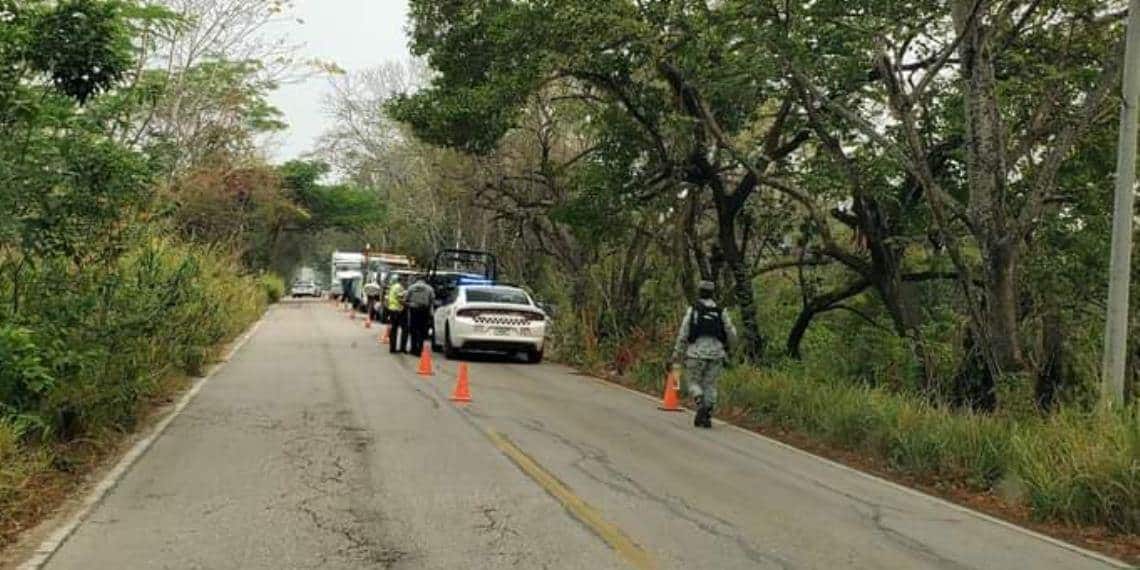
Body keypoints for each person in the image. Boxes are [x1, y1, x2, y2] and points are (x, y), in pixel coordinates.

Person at [671, 280, 737, 428]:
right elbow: (731, 332)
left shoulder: (693, 310)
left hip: (695, 353)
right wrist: (729, 348)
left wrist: (677, 353)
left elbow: (683, 333)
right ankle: (707, 413)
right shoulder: (720, 312)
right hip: (716, 354)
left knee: (693, 382)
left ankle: (699, 401)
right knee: (710, 384)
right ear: (712, 294)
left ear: (699, 292)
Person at [403, 275, 435, 356]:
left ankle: (413, 349)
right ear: (424, 280)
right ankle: (420, 349)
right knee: (422, 331)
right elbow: (432, 300)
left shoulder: (411, 287)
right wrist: (431, 313)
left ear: (417, 280)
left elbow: (405, 299)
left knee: (413, 330)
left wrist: (410, 304)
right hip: (425, 311)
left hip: (414, 311)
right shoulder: (429, 288)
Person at [386, 277, 407, 354]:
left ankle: (392, 348)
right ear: (401, 280)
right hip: (398, 310)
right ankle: (402, 348)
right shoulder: (399, 287)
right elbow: (400, 298)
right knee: (404, 329)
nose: (406, 282)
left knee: (393, 329)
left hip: (392, 309)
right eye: (405, 280)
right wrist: (406, 304)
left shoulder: (393, 286)